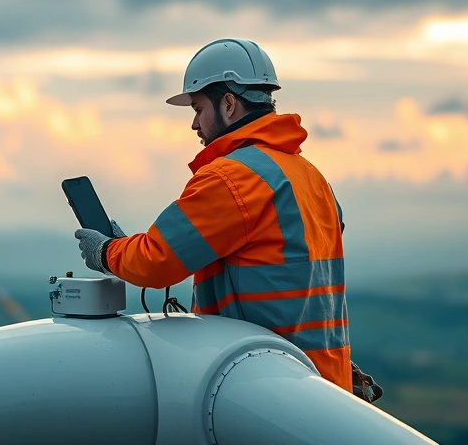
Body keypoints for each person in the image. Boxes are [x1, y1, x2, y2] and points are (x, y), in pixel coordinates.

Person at [74, 38, 352, 392]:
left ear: (230, 104)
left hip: (268, 387)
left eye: (197, 108)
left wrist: (105, 252)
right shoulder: (309, 176)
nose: (194, 124)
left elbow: (156, 262)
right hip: (326, 388)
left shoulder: (231, 178)